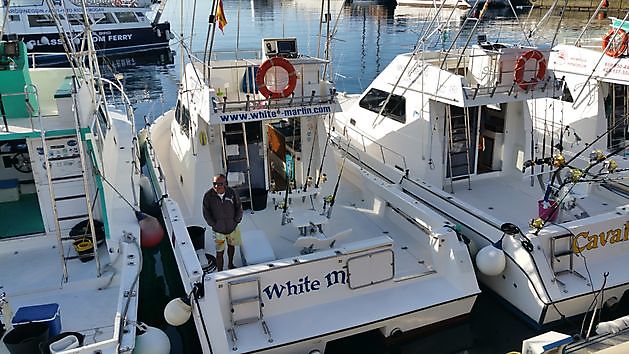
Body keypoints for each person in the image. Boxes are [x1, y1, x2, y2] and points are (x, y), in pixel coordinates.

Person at [202, 174, 243, 271]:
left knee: (231, 247)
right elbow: (206, 212)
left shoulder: (232, 193)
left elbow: (239, 207)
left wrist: (236, 220)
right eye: (214, 184)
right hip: (218, 231)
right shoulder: (208, 196)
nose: (217, 186)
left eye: (220, 184)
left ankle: (230, 265)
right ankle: (220, 270)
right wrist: (213, 224)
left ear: (225, 184)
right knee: (219, 252)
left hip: (232, 228)